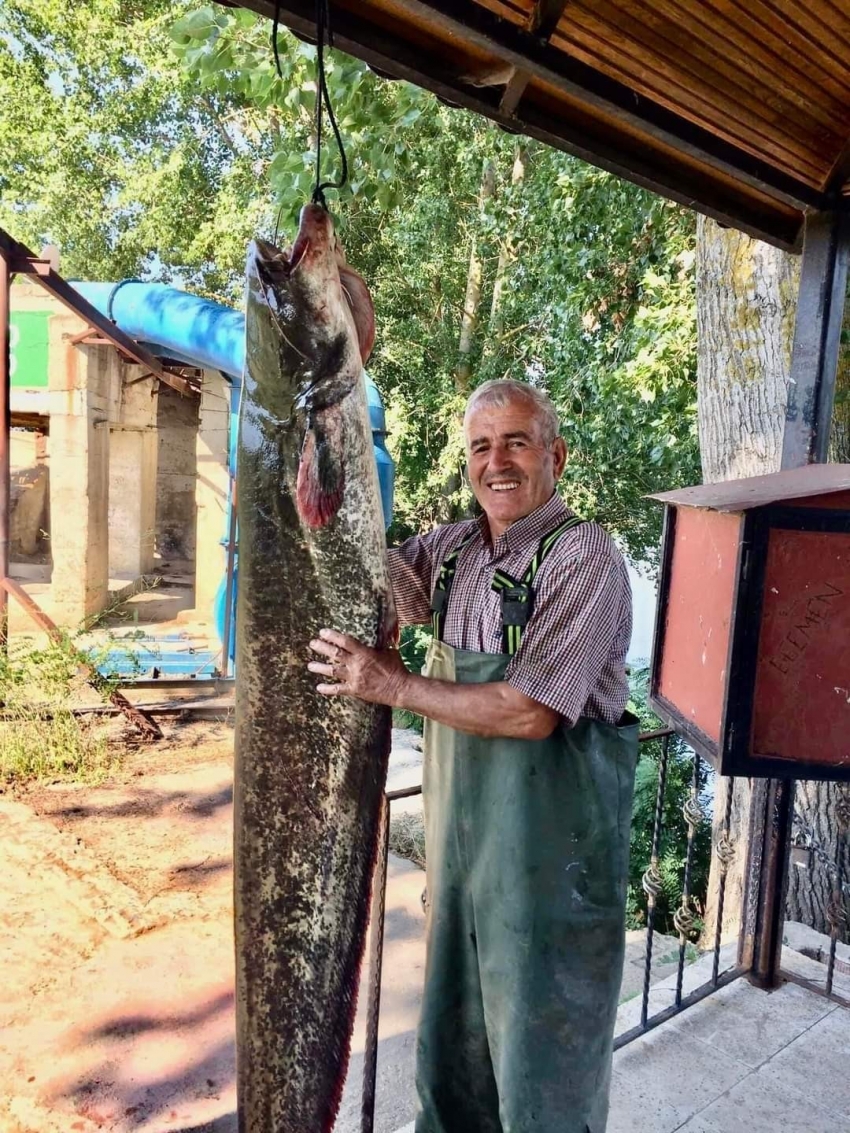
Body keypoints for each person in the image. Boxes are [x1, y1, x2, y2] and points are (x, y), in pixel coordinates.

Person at [308, 379, 638, 1133]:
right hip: (463, 871)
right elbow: (370, 580)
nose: (498, 462)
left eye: (517, 442)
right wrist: (325, 493)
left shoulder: (581, 554)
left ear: (554, 454)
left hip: (551, 880)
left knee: (543, 1087)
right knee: (452, 1075)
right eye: (481, 446)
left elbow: (528, 711)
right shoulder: (453, 550)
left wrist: (389, 680)